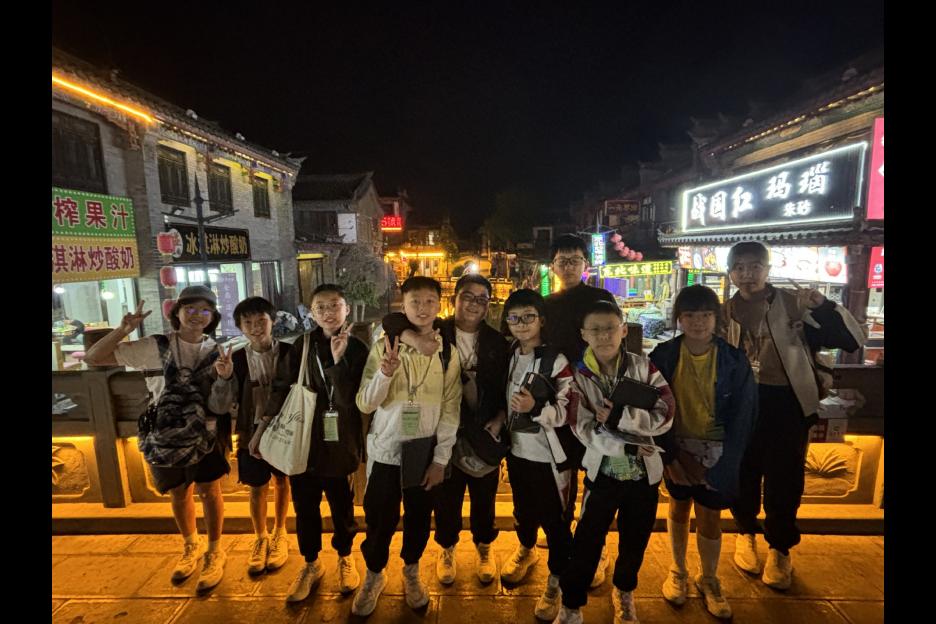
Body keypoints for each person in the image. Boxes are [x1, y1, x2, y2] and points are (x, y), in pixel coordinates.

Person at [724, 241, 864, 589]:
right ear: (730, 273)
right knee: (742, 473)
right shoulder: (725, 311)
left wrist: (824, 306)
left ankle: (780, 548)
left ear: (768, 269)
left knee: (784, 478)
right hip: (742, 402)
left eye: (755, 266)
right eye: (739, 267)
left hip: (787, 401)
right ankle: (745, 533)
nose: (747, 274)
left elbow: (850, 340)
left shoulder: (793, 302)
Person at [84, 285, 231, 593]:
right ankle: (190, 546)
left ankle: (215, 550)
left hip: (205, 431)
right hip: (164, 432)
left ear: (213, 316)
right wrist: (123, 330)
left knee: (209, 491)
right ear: (176, 313)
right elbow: (94, 357)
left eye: (205, 310)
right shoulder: (155, 345)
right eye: (190, 309)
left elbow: (224, 397)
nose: (197, 315)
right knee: (178, 492)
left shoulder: (216, 349)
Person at [381, 274, 509, 585]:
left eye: (482, 299)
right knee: (446, 499)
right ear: (454, 299)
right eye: (467, 296)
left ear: (488, 304)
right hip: (442, 432)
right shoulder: (437, 330)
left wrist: (501, 417)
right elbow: (391, 321)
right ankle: (447, 548)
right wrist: (415, 340)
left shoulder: (497, 341)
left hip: (483, 434)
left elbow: (508, 384)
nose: (474, 304)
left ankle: (484, 546)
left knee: (484, 497)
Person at [554, 300, 674, 624]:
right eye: (595, 329)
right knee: (586, 543)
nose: (603, 335)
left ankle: (624, 592)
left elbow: (666, 414)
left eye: (610, 328)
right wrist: (629, 446)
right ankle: (571, 606)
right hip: (602, 474)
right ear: (583, 334)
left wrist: (621, 417)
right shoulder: (577, 376)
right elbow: (582, 428)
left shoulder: (644, 367)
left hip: (644, 477)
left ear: (623, 330)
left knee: (635, 541)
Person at [352, 276, 462, 616]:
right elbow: (365, 403)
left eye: (430, 301)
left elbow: (451, 409)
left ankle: (411, 571)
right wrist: (384, 374)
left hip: (424, 453)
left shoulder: (448, 354)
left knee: (418, 518)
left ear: (440, 305)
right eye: (415, 301)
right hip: (386, 449)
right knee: (379, 519)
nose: (423, 308)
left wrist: (440, 460)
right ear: (404, 305)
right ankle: (374, 574)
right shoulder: (384, 345)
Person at [649, 285, 757, 618]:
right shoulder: (664, 355)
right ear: (679, 318)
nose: (698, 322)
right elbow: (651, 408)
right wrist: (668, 455)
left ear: (717, 318)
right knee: (678, 506)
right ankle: (678, 571)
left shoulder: (733, 360)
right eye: (690, 315)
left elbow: (745, 414)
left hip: (719, 450)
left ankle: (709, 577)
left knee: (710, 515)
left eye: (706, 315)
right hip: (677, 445)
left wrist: (730, 461)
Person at [258, 284, 368, 602]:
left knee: (341, 505)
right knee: (305, 506)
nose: (328, 312)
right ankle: (311, 563)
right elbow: (281, 387)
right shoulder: (302, 345)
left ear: (347, 309)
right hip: (302, 438)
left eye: (335, 305)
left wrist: (338, 362)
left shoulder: (358, 348)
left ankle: (345, 557)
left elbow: (355, 399)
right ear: (311, 313)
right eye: (321, 307)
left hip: (340, 440)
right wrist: (261, 428)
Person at [498, 289, 574, 622]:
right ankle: (526, 550)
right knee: (523, 509)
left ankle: (556, 580)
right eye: (514, 318)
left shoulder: (556, 360)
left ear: (541, 320)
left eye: (528, 317)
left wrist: (536, 407)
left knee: (556, 520)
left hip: (548, 457)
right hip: (516, 452)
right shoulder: (511, 353)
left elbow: (569, 408)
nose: (521, 324)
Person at [543, 234, 615, 586]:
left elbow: (614, 343)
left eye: (575, 260)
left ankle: (593, 544)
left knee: (597, 469)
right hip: (558, 397)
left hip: (595, 396)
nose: (569, 266)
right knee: (563, 468)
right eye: (562, 260)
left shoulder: (601, 299)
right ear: (552, 267)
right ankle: (562, 536)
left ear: (586, 265)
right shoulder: (545, 304)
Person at [211, 297, 292, 577]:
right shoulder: (236, 359)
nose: (256, 327)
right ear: (240, 327)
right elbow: (223, 403)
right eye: (248, 323)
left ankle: (280, 532)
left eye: (261, 321)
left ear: (273, 321)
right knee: (257, 487)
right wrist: (224, 377)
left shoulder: (290, 352)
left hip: (285, 429)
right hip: (250, 430)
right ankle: (261, 537)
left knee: (282, 480)